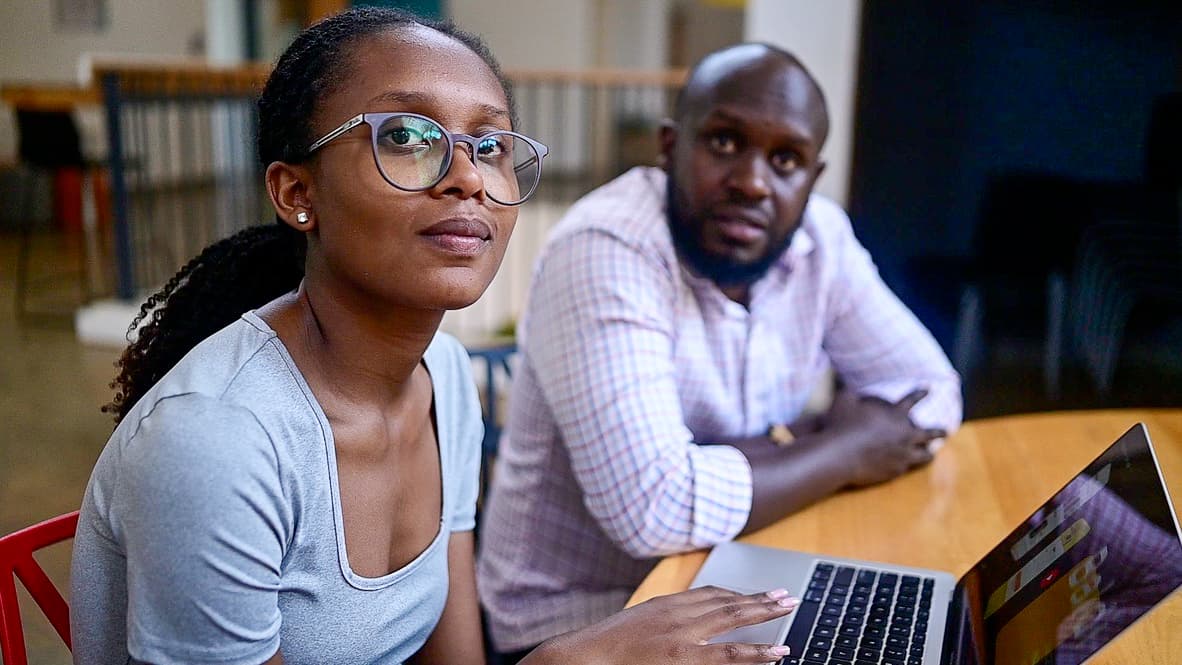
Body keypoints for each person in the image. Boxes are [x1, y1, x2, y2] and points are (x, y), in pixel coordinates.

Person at [68, 10, 802, 664]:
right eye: (408, 136)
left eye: (488, 146)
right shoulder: (216, 440)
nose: (467, 178)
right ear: (298, 193)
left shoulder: (443, 375)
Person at [477, 42, 965, 660]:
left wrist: (785, 453)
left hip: (744, 574)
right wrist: (845, 447)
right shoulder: (605, 248)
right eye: (726, 143)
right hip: (581, 626)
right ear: (669, 146)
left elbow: (932, 391)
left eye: (786, 159)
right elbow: (652, 509)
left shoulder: (821, 237)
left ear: (812, 179)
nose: (752, 183)